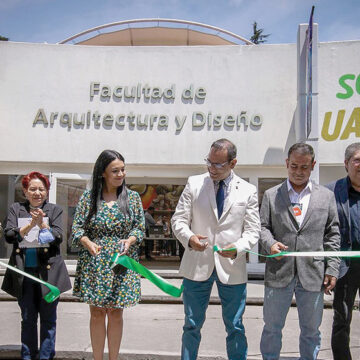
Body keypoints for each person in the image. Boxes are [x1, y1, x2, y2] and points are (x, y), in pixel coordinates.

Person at [171, 138, 260, 360]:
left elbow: (253, 231)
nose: (212, 168)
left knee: (236, 326)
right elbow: (178, 220)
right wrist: (190, 238)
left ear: (233, 163)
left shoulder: (248, 190)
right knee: (191, 324)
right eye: (209, 162)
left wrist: (238, 247)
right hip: (197, 264)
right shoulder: (194, 183)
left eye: (219, 164)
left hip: (232, 267)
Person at [259, 143, 341, 360]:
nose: (298, 172)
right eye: (294, 166)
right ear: (287, 163)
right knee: (272, 328)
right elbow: (262, 227)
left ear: (312, 166)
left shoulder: (326, 196)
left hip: (313, 274)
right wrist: (270, 244)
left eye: (304, 167)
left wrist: (332, 268)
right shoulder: (271, 195)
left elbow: (333, 234)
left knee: (311, 331)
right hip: (279, 272)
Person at [72, 150, 145, 360]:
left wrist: (130, 240)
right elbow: (77, 229)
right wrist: (87, 242)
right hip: (95, 262)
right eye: (115, 170)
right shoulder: (89, 198)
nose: (121, 174)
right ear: (102, 172)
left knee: (115, 312)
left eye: (123, 169)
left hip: (121, 262)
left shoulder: (132, 197)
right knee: (96, 313)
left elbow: (139, 229)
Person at [1, 171, 71, 360]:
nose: (37, 193)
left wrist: (43, 225)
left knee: (48, 320)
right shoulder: (16, 209)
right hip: (24, 274)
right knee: (27, 319)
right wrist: (31, 224)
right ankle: (28, 356)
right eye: (32, 189)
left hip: (49, 275)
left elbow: (57, 238)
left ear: (47, 192)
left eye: (41, 189)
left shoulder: (55, 210)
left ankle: (46, 356)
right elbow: (9, 236)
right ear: (25, 191)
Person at [327, 142, 360, 360]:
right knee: (342, 317)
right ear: (346, 163)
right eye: (357, 160)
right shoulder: (331, 191)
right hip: (345, 266)